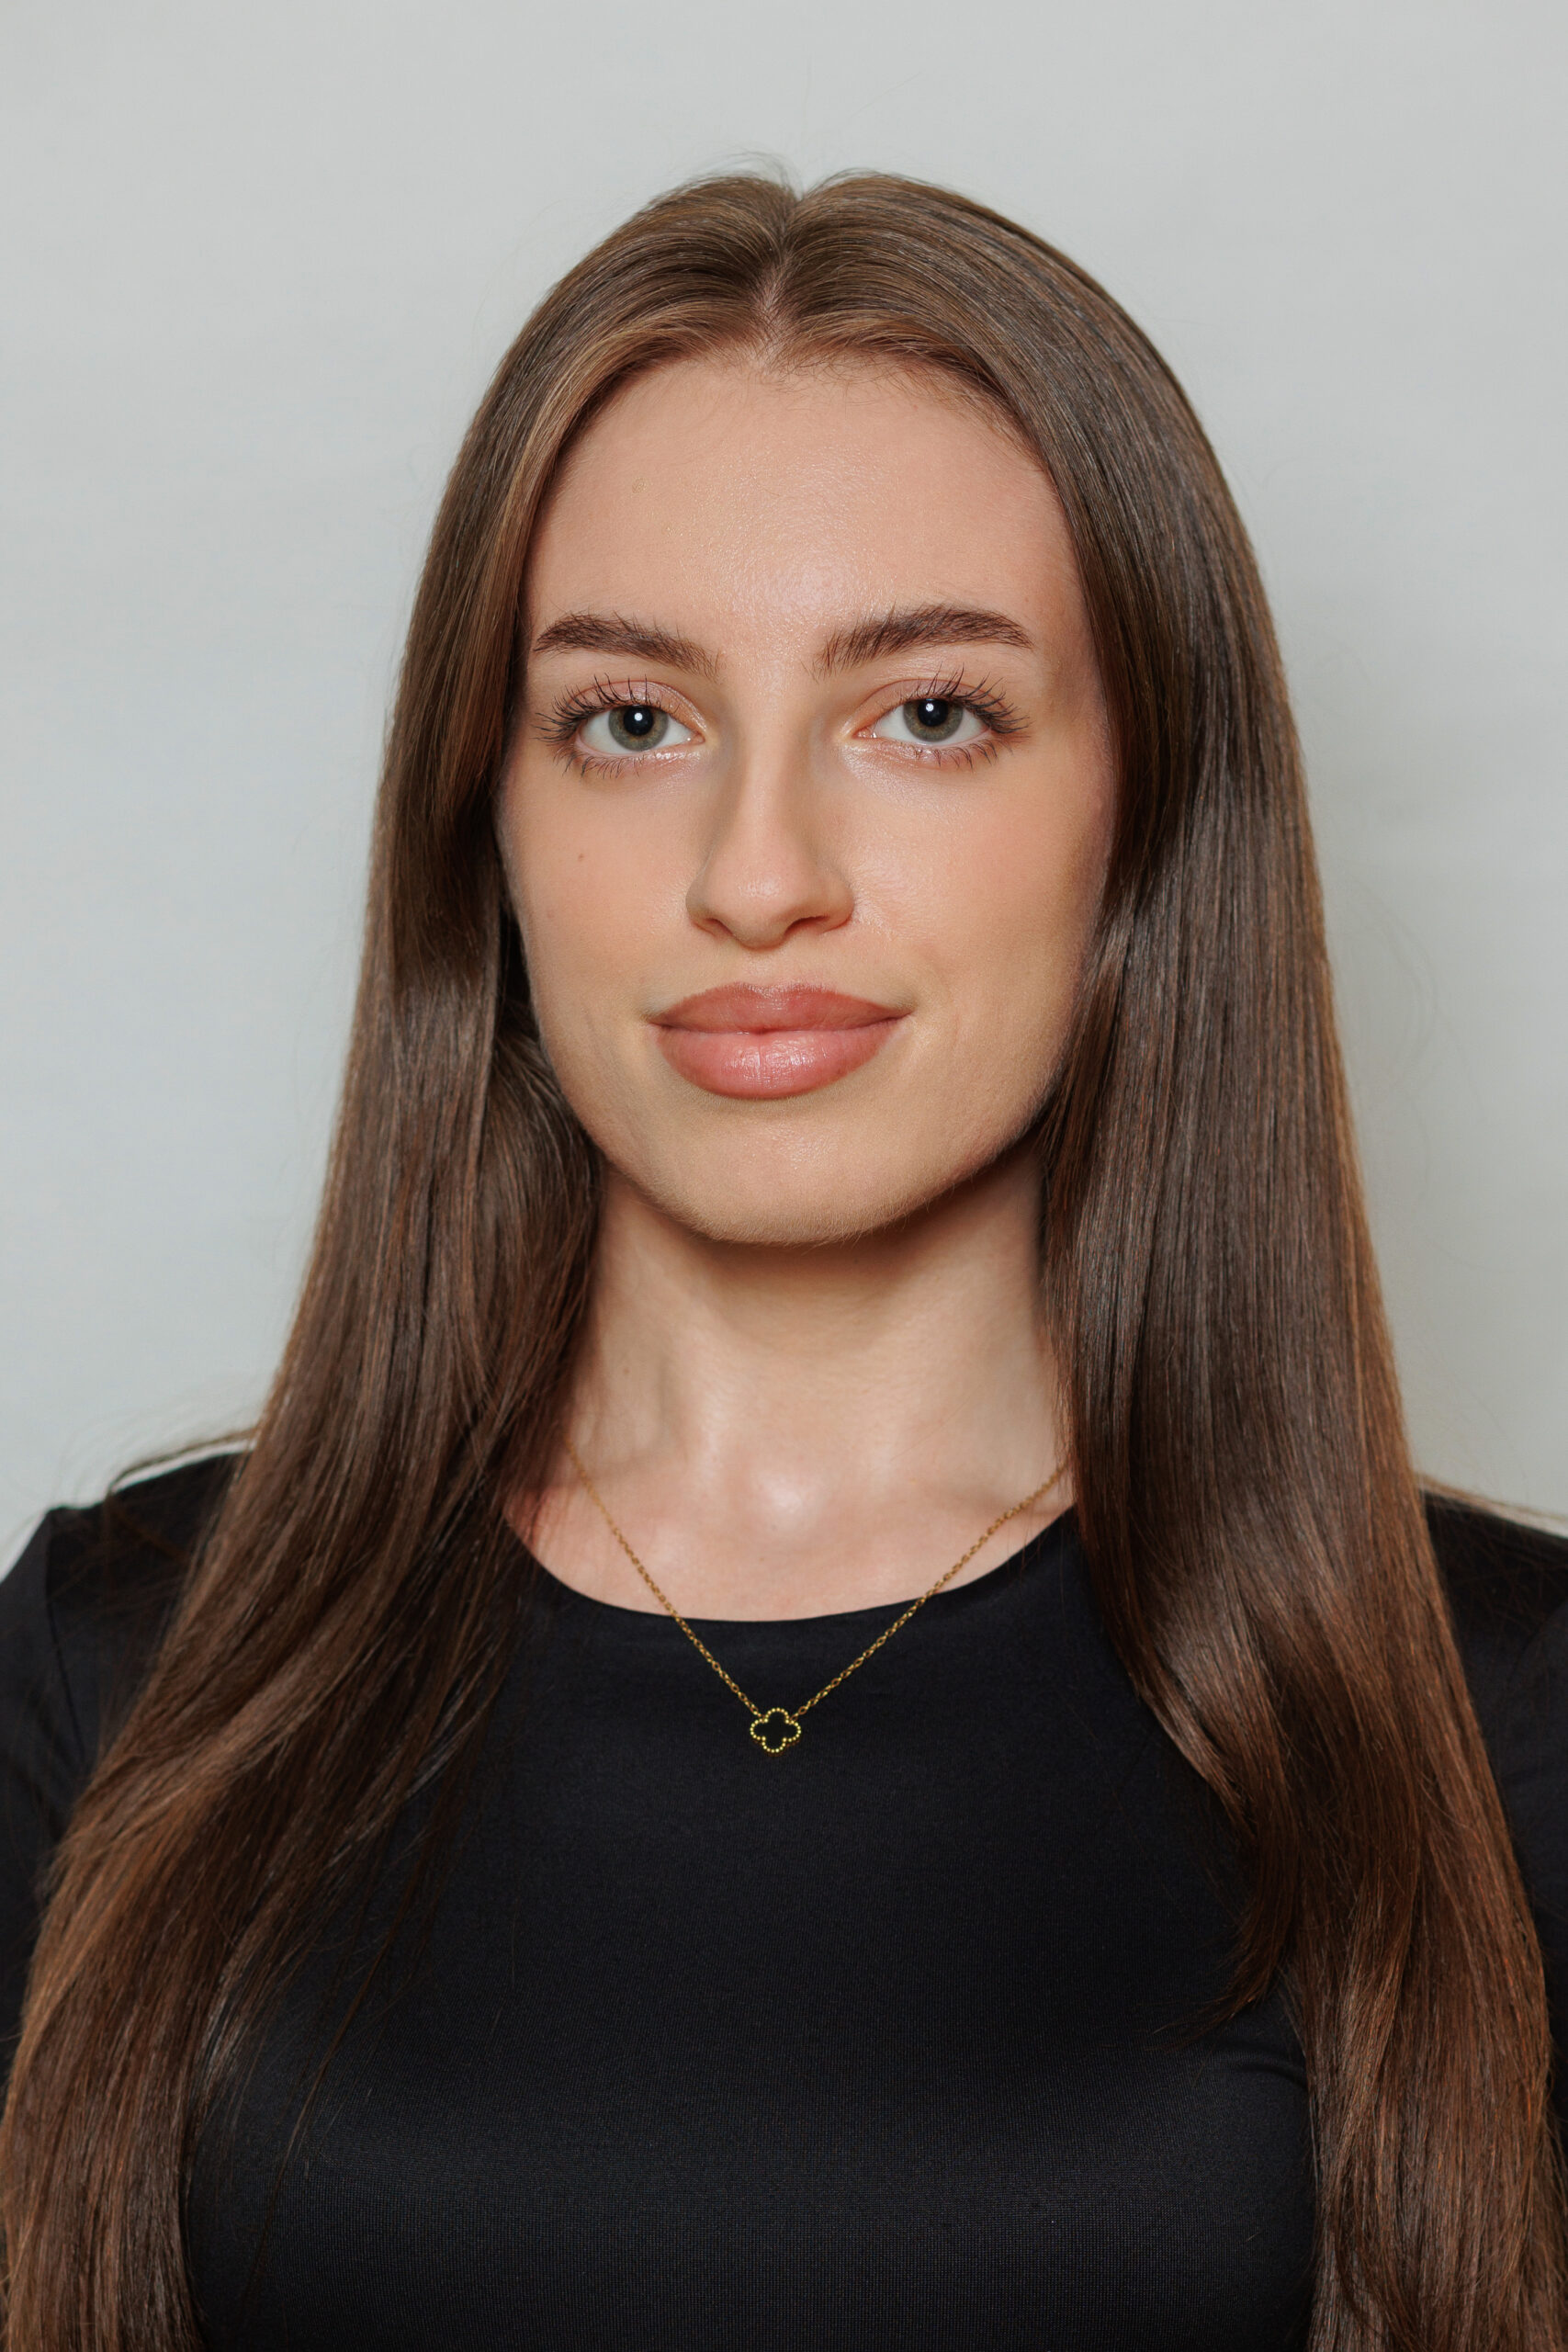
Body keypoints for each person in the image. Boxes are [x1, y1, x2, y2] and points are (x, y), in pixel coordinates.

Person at [1, 170, 1563, 2352]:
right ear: (489, 823)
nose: (756, 876)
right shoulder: (117, 1674)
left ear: (1145, 810)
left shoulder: (1504, 1721)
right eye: (630, 721)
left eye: (925, 712)